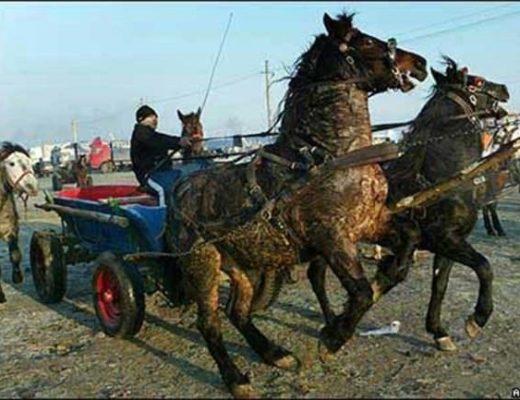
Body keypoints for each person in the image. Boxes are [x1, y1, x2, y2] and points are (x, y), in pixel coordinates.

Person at [131, 105, 192, 205]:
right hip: (149, 175)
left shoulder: (151, 134)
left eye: (155, 118)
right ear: (142, 119)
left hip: (163, 172)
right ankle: (164, 216)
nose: (155, 120)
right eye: (152, 117)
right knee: (163, 189)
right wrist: (178, 141)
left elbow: (162, 139)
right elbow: (158, 140)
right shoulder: (140, 133)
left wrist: (180, 142)